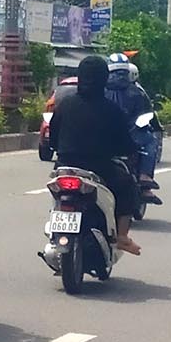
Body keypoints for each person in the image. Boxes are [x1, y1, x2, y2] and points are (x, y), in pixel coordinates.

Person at [48, 55, 142, 255]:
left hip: (65, 167)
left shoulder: (65, 105)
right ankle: (123, 236)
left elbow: (53, 139)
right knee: (127, 185)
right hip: (100, 169)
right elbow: (125, 144)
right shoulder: (112, 110)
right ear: (104, 79)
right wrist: (131, 151)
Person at [103, 53, 160, 202]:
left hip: (101, 137)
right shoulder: (137, 92)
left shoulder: (99, 90)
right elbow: (149, 114)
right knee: (151, 141)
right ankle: (145, 177)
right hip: (131, 137)